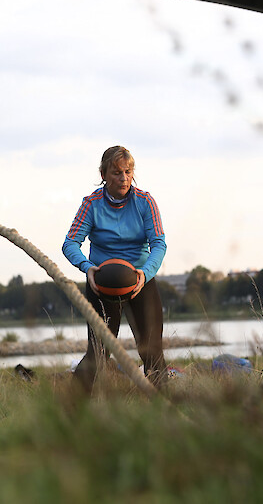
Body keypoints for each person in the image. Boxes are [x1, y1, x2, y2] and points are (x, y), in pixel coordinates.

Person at [62, 146, 167, 392]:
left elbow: (159, 243)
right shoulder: (91, 204)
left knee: (152, 353)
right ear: (104, 174)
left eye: (128, 172)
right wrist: (87, 268)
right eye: (116, 172)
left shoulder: (145, 202)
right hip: (102, 284)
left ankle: (165, 414)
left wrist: (145, 273)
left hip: (141, 279)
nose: (123, 178)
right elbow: (70, 243)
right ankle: (69, 413)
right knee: (98, 354)